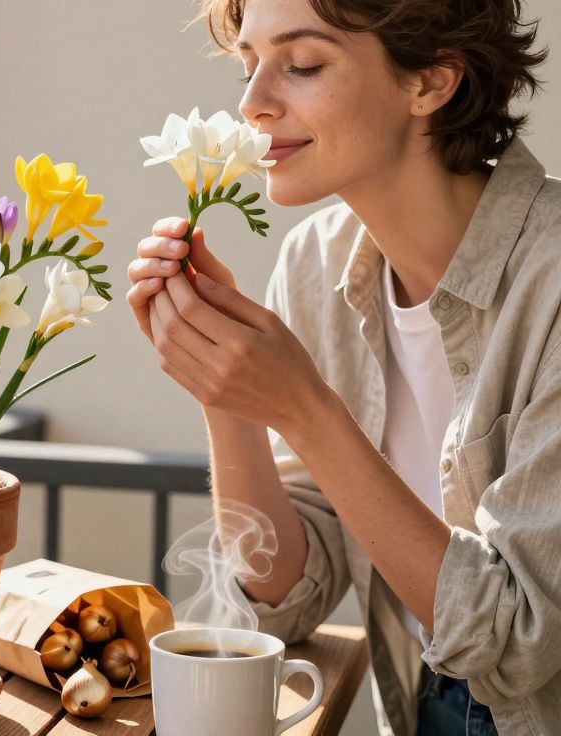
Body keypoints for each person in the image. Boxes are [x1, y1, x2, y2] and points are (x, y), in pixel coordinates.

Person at [125, 0, 554, 733]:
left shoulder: (549, 282)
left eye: (302, 65)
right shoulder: (316, 262)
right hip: (423, 702)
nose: (252, 104)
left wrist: (305, 409)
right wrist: (225, 391)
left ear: (431, 80)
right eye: (247, 66)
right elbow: (284, 598)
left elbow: (517, 645)